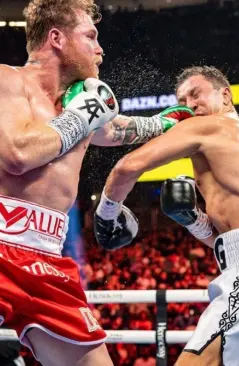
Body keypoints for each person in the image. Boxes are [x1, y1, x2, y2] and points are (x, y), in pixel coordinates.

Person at [0, 1, 193, 365]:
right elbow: (17, 155)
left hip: (46, 255)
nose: (100, 49)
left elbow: (117, 129)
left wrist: (167, 122)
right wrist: (83, 115)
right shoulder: (7, 81)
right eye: (90, 36)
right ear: (56, 38)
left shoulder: (80, 102)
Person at [94, 65, 239, 365]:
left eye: (196, 94)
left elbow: (127, 166)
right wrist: (195, 221)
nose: (188, 105)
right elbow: (238, 239)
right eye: (181, 99)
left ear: (225, 96)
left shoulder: (208, 126)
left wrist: (106, 214)